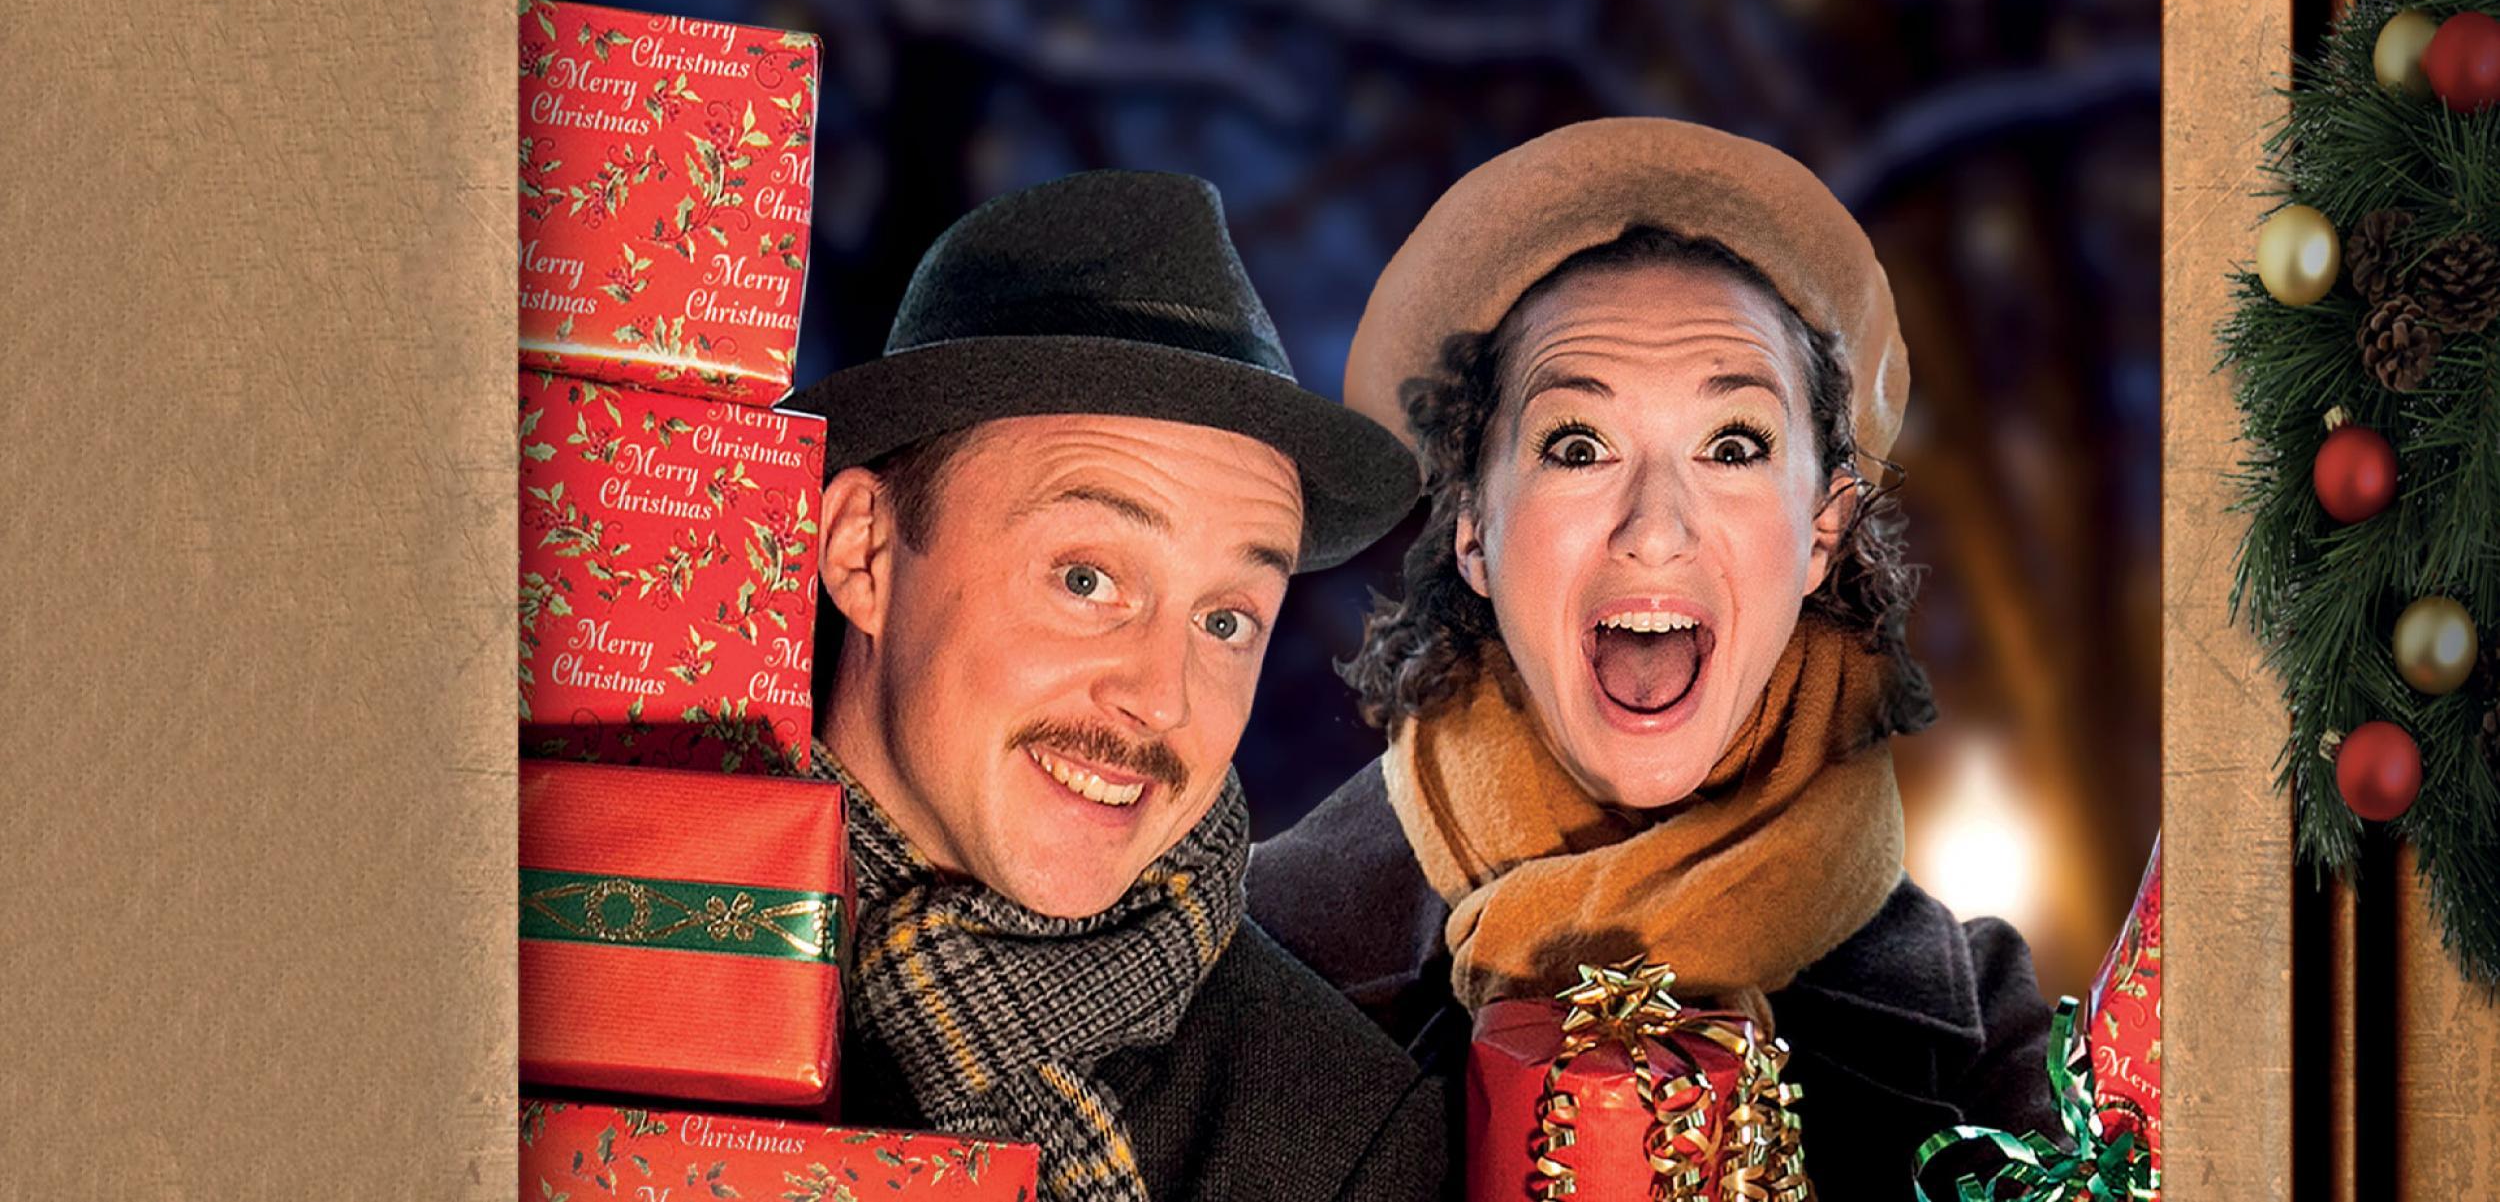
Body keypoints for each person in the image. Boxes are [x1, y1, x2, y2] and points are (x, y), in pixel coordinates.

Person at [1247, 118, 2058, 1197]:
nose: (1655, 527)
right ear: (1474, 533)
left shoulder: (1981, 1030)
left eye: (1733, 446)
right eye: (1576, 446)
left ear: (1822, 530)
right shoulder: (1259, 965)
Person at [776, 170, 1447, 1202]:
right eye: (1087, 580)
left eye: (1225, 621)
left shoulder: (1332, 1138)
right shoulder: (602, 930)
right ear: (865, 553)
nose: (1162, 699)